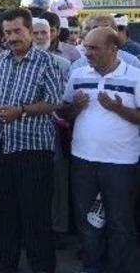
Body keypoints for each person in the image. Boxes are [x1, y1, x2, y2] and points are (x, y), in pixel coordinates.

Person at [0, 8, 63, 273]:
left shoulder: (47, 62)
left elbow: (54, 101)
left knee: (35, 214)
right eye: (8, 32)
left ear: (29, 30)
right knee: (3, 212)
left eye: (18, 31)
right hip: (1, 145)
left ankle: (41, 267)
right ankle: (4, 264)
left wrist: (22, 111)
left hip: (33, 149)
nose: (12, 37)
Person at [60, 27, 139, 273]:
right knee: (87, 221)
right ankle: (92, 267)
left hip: (121, 162)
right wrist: (76, 107)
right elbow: (66, 114)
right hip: (83, 159)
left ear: (114, 49)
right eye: (85, 47)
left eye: (94, 48)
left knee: (120, 221)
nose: (87, 53)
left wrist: (119, 109)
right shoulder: (79, 74)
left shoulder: (135, 76)